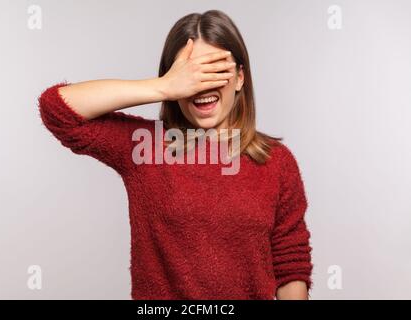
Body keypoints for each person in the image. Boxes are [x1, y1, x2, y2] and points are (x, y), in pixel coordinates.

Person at [38, 9, 313, 300]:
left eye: (214, 71)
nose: (201, 87)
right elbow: (58, 110)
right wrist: (163, 87)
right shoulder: (147, 148)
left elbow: (290, 265)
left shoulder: (277, 162)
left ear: (240, 78)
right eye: (191, 75)